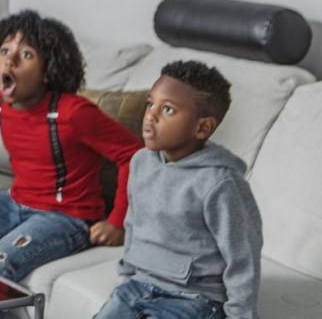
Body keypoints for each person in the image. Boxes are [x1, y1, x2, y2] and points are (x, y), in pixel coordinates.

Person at [0, 10, 141, 315]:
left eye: (25, 54)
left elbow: (133, 154)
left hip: (67, 216)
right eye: (5, 51)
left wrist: (117, 222)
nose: (10, 61)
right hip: (14, 202)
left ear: (48, 71)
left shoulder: (74, 114)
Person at [94, 61, 262, 319]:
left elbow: (243, 256)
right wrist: (128, 273)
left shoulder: (220, 183)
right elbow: (134, 222)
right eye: (151, 103)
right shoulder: (140, 162)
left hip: (195, 297)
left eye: (168, 109)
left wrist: (240, 314)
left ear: (202, 128)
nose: (150, 115)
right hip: (138, 285)